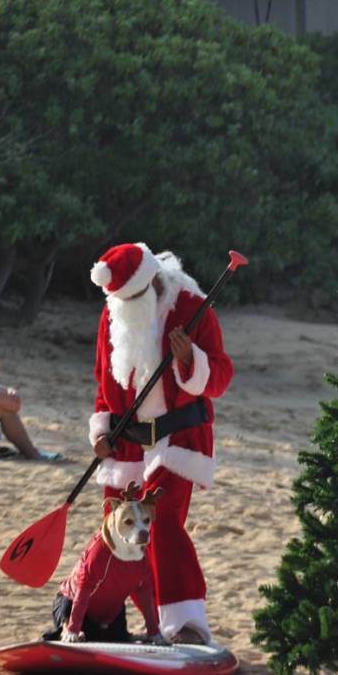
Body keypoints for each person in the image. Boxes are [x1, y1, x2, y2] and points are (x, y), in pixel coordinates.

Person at [88, 242, 234, 644]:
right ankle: (111, 620)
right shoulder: (112, 312)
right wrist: (101, 432)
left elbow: (221, 375)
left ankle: (185, 625)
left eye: (132, 297)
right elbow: (105, 382)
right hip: (127, 443)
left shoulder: (191, 309)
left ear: (153, 281)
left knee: (161, 523)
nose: (124, 305)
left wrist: (190, 361)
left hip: (178, 438)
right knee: (116, 533)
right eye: (118, 299)